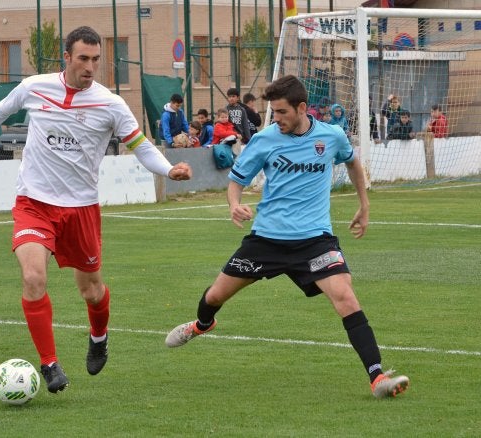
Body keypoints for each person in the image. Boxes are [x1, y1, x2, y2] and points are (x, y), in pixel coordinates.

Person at [0, 26, 192, 394]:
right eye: (83, 58)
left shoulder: (110, 104)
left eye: (96, 60)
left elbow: (140, 145)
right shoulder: (35, 87)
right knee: (33, 277)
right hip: (34, 203)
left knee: (91, 291)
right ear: (66, 57)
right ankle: (50, 363)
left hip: (80, 210)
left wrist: (168, 169)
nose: (90, 66)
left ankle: (99, 337)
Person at [165, 74, 409, 400]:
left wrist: (364, 205)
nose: (276, 118)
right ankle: (202, 324)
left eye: (281, 112)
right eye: (273, 112)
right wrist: (234, 205)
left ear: (302, 108)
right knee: (214, 297)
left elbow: (352, 163)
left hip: (315, 241)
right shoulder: (264, 140)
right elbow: (237, 181)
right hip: (267, 240)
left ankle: (377, 377)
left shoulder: (331, 136)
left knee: (346, 297)